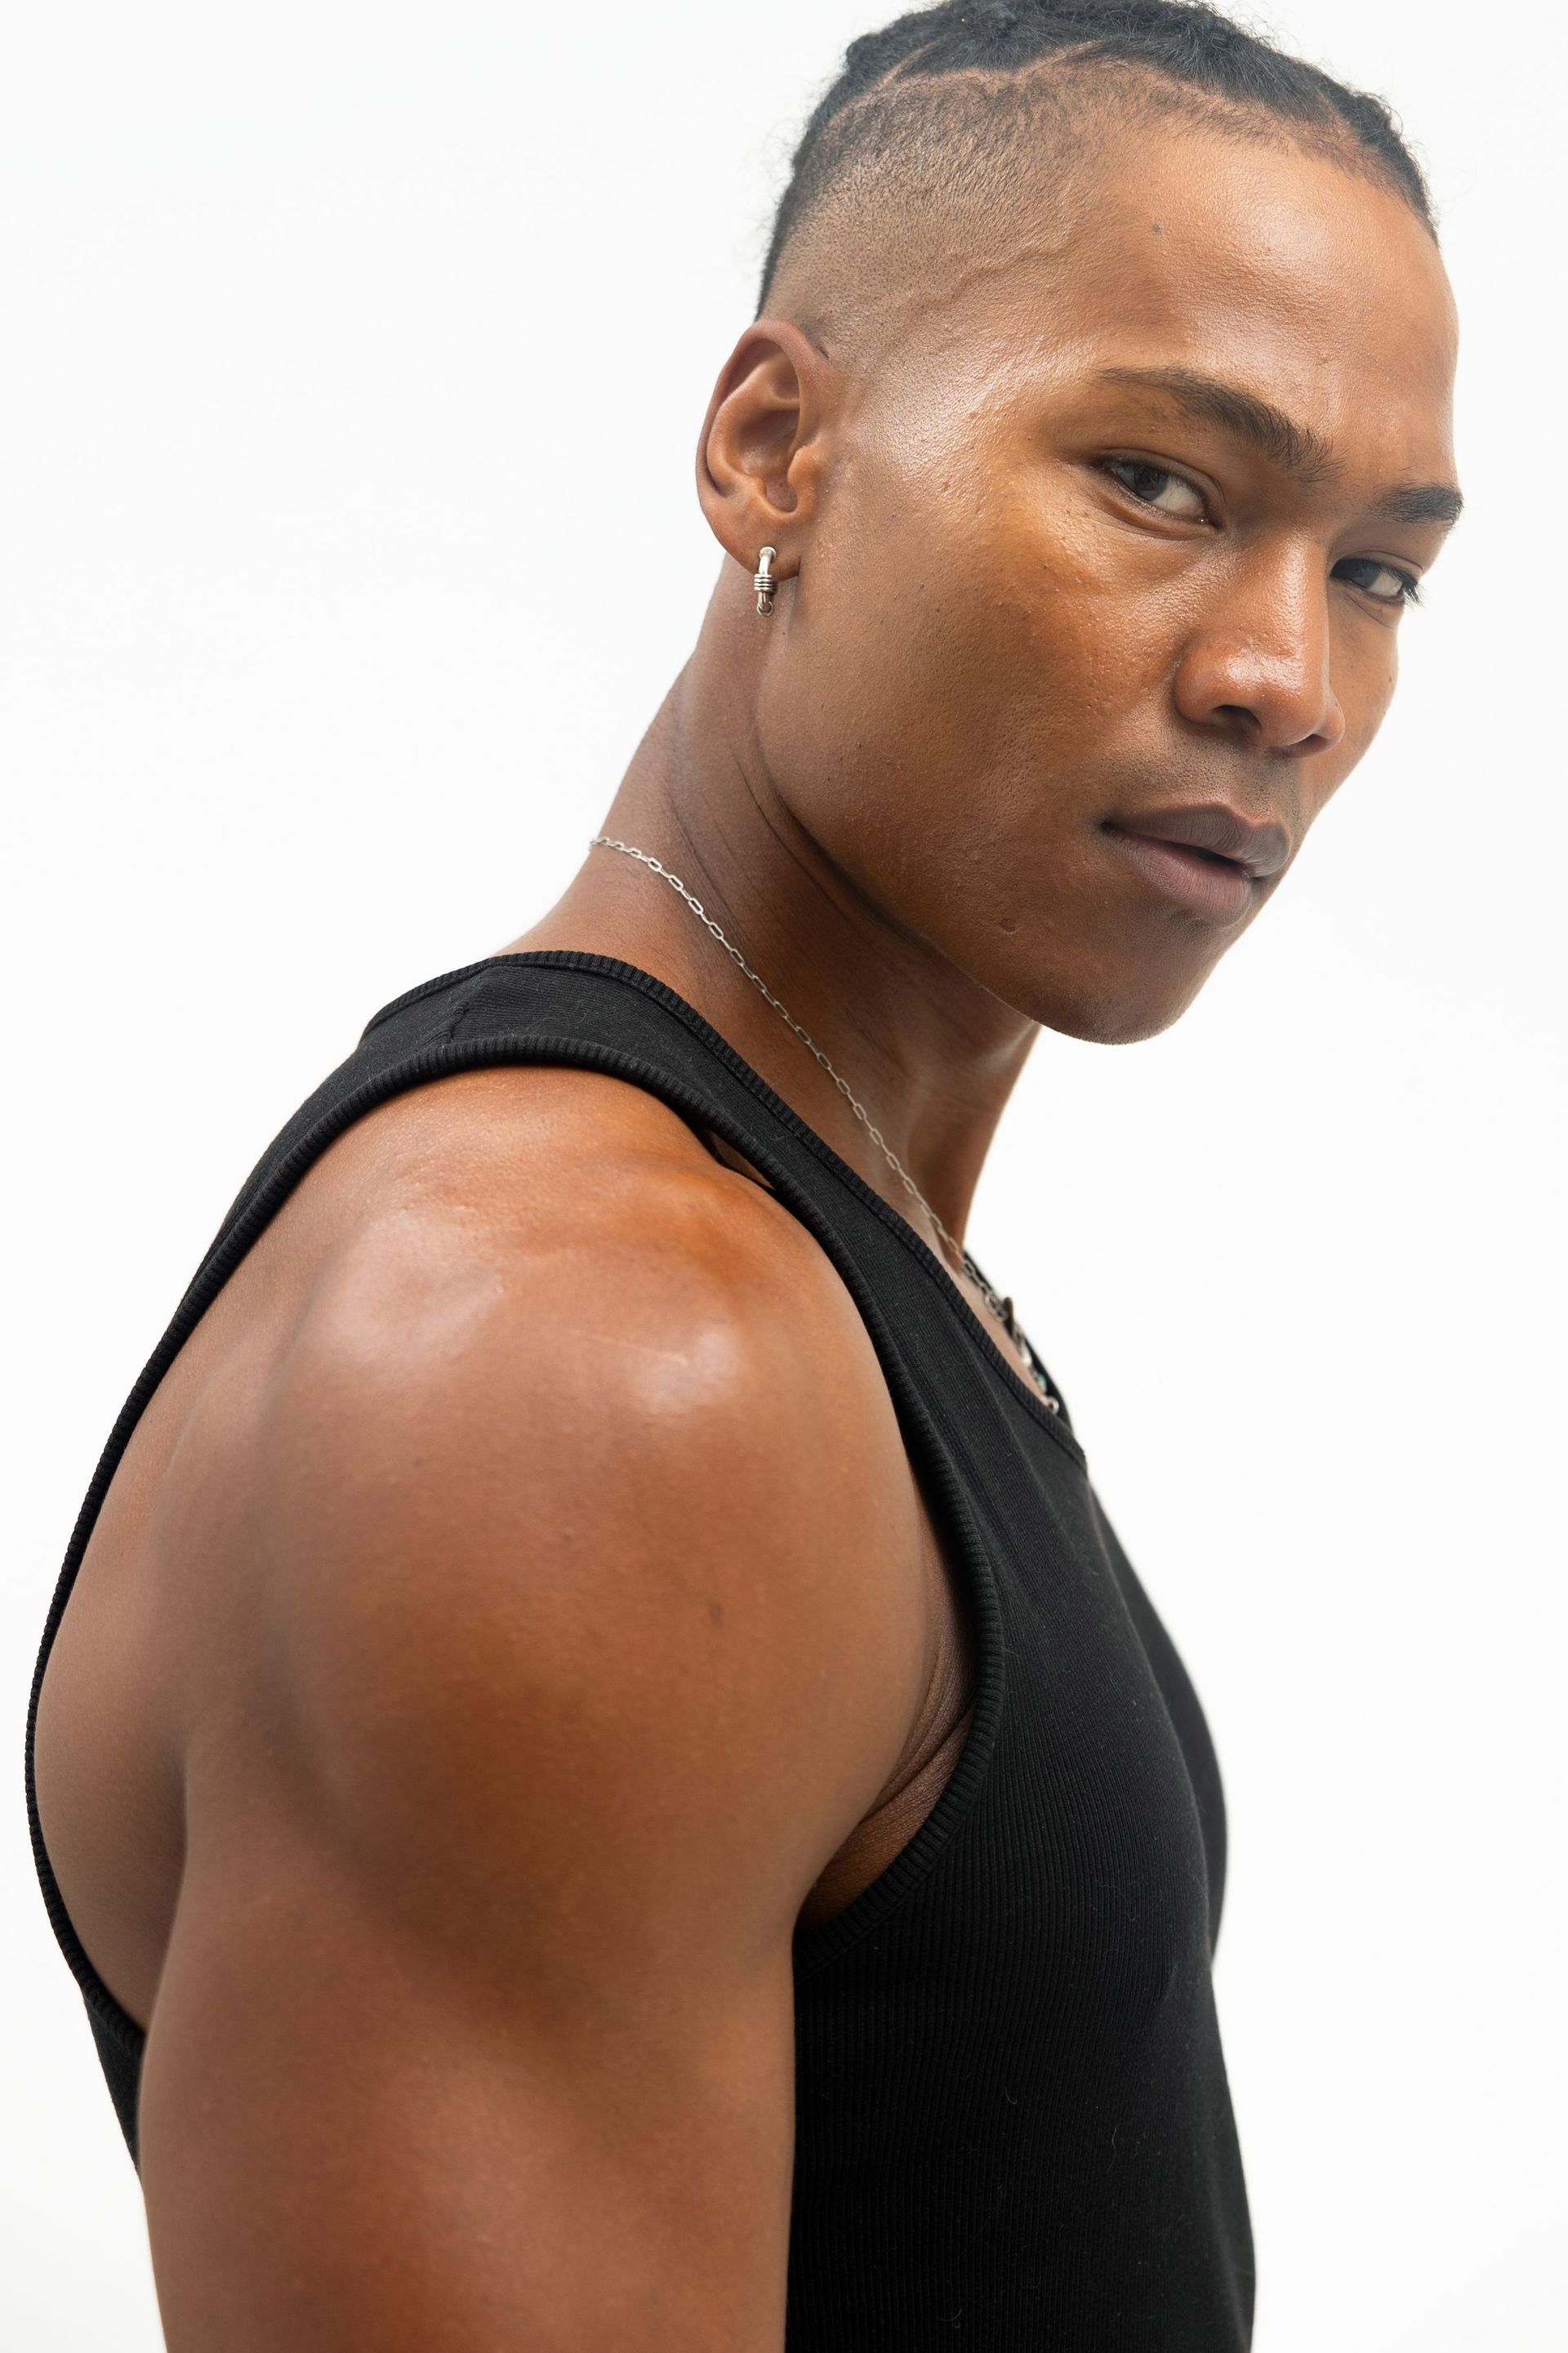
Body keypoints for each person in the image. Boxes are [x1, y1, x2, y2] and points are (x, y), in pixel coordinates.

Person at [24, 1, 1461, 2344]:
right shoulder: (575, 1352)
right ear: (776, 446)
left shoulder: (807, 1250)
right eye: (1166, 484)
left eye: (1381, 570)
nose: (1286, 676)